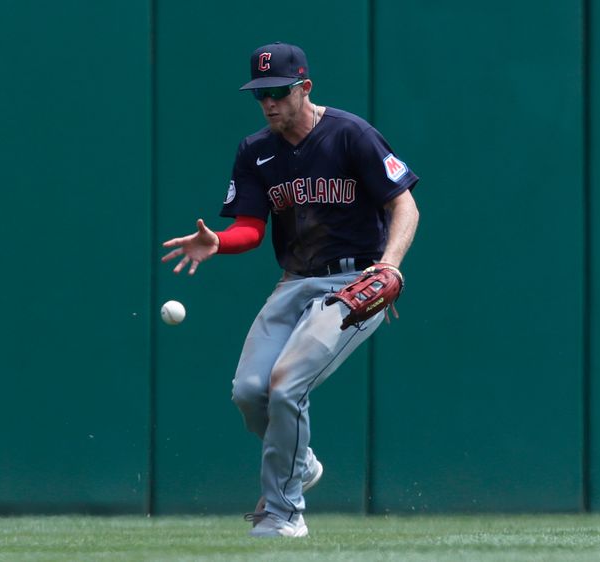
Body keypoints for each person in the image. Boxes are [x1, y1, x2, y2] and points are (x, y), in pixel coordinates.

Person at [161, 42, 420, 537]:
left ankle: (283, 513)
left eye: (279, 91)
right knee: (249, 392)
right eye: (260, 95)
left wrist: (388, 266)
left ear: (305, 87)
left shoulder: (351, 135)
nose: (269, 103)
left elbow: (404, 205)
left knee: (286, 388)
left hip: (352, 282)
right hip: (295, 281)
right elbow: (251, 229)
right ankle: (300, 462)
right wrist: (218, 242)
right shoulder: (256, 150)